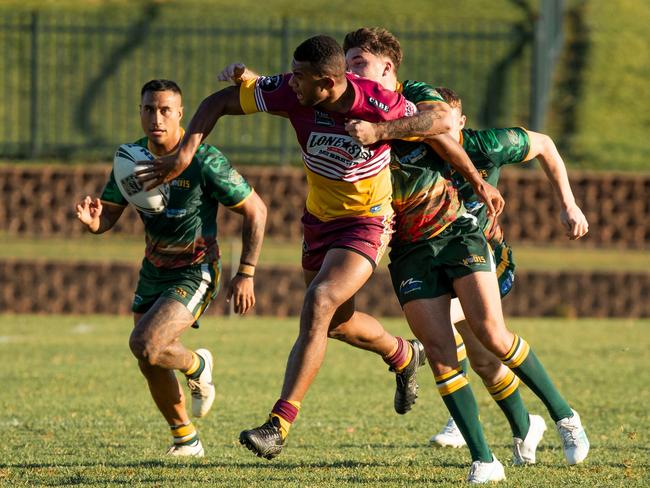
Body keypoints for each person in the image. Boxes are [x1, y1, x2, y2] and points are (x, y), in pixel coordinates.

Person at [136, 35, 504, 463]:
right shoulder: (295, 92)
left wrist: (477, 181)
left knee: (321, 299)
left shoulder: (377, 103)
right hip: (318, 224)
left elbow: (435, 131)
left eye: (299, 78)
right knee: (336, 323)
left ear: (328, 83)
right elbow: (218, 101)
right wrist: (185, 153)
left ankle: (279, 423)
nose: (290, 83)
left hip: (368, 222)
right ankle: (403, 354)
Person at [342, 27, 590, 482]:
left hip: (465, 240)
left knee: (490, 337)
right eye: (347, 63)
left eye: (358, 62)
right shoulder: (347, 102)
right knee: (450, 354)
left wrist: (568, 204)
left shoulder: (450, 123)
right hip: (410, 251)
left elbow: (440, 122)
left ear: (388, 68)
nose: (349, 72)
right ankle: (486, 457)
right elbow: (304, 89)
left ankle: (564, 418)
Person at [75, 79, 267, 457]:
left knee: (145, 344)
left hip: (196, 269)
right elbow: (110, 215)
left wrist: (246, 271)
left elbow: (256, 210)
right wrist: (95, 222)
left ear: (180, 113)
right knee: (150, 361)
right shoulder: (130, 160)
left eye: (165, 110)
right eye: (149, 109)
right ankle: (186, 439)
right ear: (140, 112)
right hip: (154, 269)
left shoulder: (204, 160)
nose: (156, 118)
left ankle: (197, 364)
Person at [428, 87, 589, 459]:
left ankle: (564, 418)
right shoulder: (417, 150)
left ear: (461, 123)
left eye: (446, 122)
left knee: (440, 327)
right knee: (486, 360)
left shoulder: (487, 145)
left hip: (484, 257)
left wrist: (569, 204)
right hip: (436, 256)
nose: (439, 130)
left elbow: (546, 144)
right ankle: (524, 425)